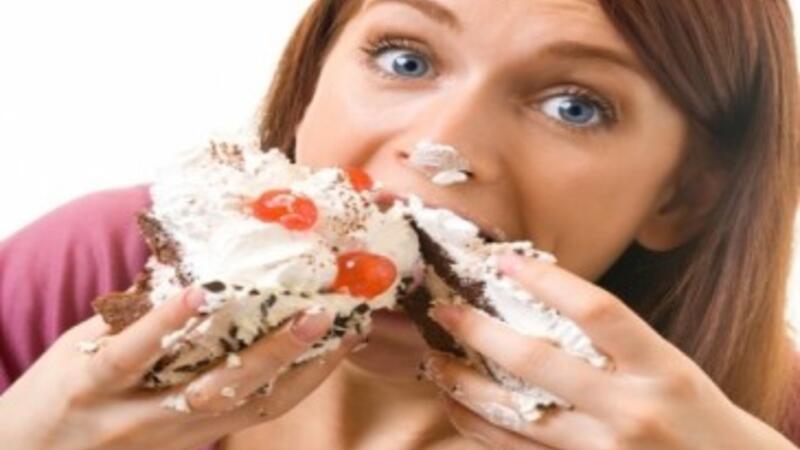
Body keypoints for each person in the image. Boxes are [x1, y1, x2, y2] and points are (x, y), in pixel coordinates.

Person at [1, 0, 799, 448]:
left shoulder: (750, 418)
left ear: (681, 197)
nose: (443, 148)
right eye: (405, 59)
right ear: (312, 80)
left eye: (574, 106)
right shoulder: (90, 270)